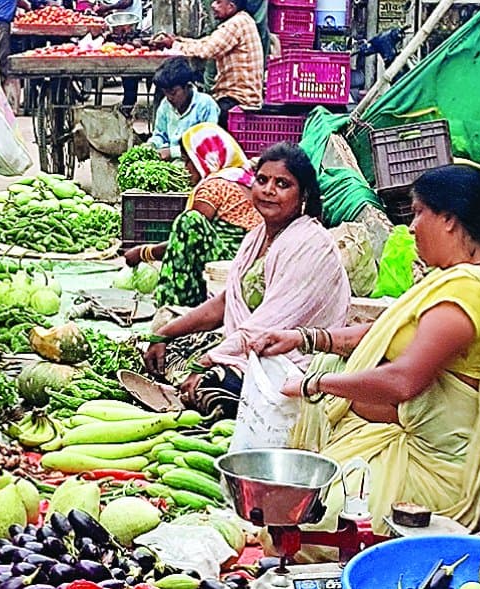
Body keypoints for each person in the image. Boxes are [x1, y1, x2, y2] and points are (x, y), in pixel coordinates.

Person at [255, 164, 480, 545]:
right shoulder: (461, 277)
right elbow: (386, 336)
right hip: (403, 445)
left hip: (428, 474)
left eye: (418, 213)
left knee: (297, 522)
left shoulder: (470, 291)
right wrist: (306, 339)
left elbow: (404, 380)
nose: (411, 228)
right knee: (289, 506)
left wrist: (315, 384)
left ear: (448, 219)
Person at [141, 142, 349, 416]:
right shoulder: (255, 238)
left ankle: (199, 387)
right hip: (246, 346)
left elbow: (268, 327)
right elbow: (226, 302)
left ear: (303, 194)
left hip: (288, 360)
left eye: (282, 184)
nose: (269, 190)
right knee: (157, 348)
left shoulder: (312, 245)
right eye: (262, 180)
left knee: (212, 387)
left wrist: (206, 361)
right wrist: (163, 334)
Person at [127, 124, 261, 309]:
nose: (186, 168)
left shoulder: (214, 187)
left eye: (188, 161)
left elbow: (186, 240)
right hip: (251, 266)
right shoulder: (247, 179)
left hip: (227, 267)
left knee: (188, 223)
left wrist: (144, 253)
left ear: (205, 159)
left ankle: (172, 304)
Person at [155, 0, 264, 126]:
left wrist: (174, 45)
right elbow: (208, 42)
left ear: (231, 6)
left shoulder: (235, 25)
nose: (213, 5)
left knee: (197, 117)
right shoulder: (243, 20)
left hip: (236, 100)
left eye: (218, 2)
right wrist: (179, 41)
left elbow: (207, 50)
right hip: (239, 98)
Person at [94, 0, 144, 112]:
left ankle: (129, 103)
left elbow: (127, 0)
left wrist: (106, 8)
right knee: (126, 67)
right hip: (124, 24)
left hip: (128, 26)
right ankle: (128, 102)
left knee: (128, 67)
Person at [146, 57, 219, 160]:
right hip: (171, 161)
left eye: (173, 93)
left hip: (197, 162)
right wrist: (151, 145)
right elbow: (160, 134)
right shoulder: (165, 105)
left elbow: (207, 145)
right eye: (165, 93)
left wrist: (172, 152)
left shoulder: (205, 105)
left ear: (187, 86)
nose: (169, 98)